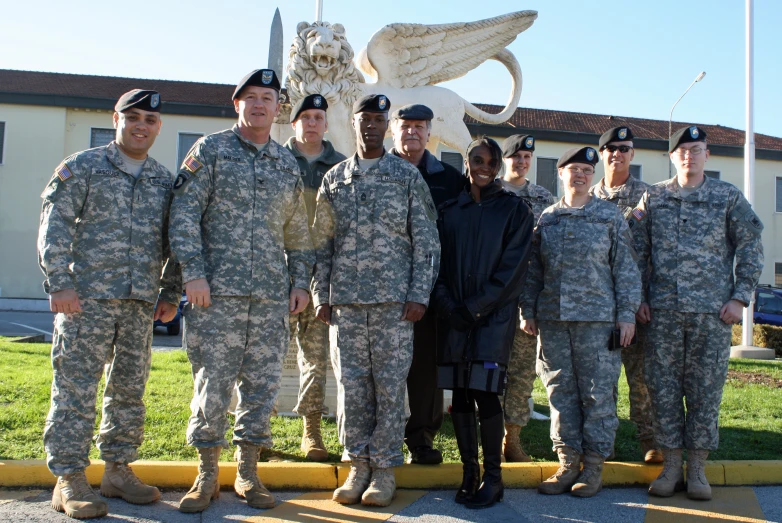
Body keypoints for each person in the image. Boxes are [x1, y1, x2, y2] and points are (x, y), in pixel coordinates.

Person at [169, 69, 313, 513]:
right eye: (250, 97)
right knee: (212, 387)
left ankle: (248, 474)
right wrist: (192, 273)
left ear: (277, 109)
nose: (259, 105)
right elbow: (183, 214)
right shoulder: (210, 151)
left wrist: (300, 282)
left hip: (270, 299)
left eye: (267, 98)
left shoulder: (286, 163)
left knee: (261, 388)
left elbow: (299, 231)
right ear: (237, 105)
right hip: (215, 298)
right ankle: (206, 476)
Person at [38, 89, 180, 519]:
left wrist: (170, 292)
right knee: (76, 388)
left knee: (129, 390)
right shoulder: (82, 167)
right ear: (114, 118)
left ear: (158, 126)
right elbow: (54, 226)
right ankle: (69, 479)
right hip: (86, 300)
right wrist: (59, 284)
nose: (141, 126)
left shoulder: (161, 179)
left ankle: (118, 469)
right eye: (132, 117)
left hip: (139, 303)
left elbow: (175, 240)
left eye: (150, 120)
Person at [311, 94, 440, 507]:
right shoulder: (334, 180)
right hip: (345, 306)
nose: (371, 126)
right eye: (364, 119)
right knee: (352, 390)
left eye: (378, 120)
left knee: (388, 388)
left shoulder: (406, 178)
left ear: (387, 126)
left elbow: (427, 243)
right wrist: (321, 295)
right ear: (353, 123)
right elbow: (321, 245)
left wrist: (419, 295)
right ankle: (357, 466)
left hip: (393, 306)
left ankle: (384, 470)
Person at [634, 126, 764, 500]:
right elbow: (636, 251)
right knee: (663, 391)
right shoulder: (653, 197)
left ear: (708, 155)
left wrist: (740, 297)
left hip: (712, 314)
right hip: (661, 314)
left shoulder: (727, 197)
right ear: (672, 157)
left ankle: (699, 470)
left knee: (705, 392)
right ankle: (672, 465)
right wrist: (639, 297)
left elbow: (751, 245)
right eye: (683, 151)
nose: (689, 155)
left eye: (697, 149)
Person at [520, 146, 641, 498]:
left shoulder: (609, 217)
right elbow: (533, 272)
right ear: (560, 174)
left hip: (598, 324)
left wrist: (626, 316)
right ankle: (568, 463)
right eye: (573, 170)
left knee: (598, 395)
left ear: (592, 176)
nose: (580, 175)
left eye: (587, 170)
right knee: (560, 394)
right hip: (555, 323)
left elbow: (625, 268)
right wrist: (528, 311)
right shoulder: (547, 219)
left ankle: (594, 466)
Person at [434, 137, 534, 509]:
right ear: (467, 161)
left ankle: (494, 479)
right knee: (459, 395)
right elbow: (437, 263)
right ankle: (469, 473)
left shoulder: (514, 211)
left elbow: (512, 273)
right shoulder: (450, 210)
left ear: (498, 167)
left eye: (492, 163)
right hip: (454, 317)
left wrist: (474, 308)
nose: (484, 167)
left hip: (493, 319)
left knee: (485, 394)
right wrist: (448, 305)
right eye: (478, 160)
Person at [389, 103, 466, 465]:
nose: (412, 132)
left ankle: (421, 439)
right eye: (405, 126)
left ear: (429, 131)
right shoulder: (375, 171)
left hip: (430, 290)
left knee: (425, 370)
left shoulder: (450, 180)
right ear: (393, 130)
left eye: (419, 126)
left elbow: (458, 235)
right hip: (380, 289)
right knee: (380, 370)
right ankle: (381, 438)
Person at [589, 126, 661, 464]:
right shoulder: (587, 197)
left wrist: (642, 298)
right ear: (601, 154)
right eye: (610, 148)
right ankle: (605, 444)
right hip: (598, 306)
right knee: (601, 380)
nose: (616, 153)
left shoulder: (649, 196)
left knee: (641, 379)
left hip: (638, 306)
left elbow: (655, 252)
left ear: (633, 154)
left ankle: (650, 441)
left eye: (624, 148)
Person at [284, 93, 347, 461]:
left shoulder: (340, 166)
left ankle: (311, 432)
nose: (311, 123)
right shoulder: (276, 160)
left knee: (315, 354)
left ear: (326, 124)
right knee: (262, 354)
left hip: (321, 273)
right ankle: (255, 432)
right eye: (304, 117)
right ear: (295, 124)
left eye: (317, 117)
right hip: (275, 268)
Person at [499, 134, 555, 462]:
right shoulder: (489, 192)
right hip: (493, 299)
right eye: (516, 156)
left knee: (521, 372)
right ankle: (490, 435)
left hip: (527, 301)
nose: (521, 162)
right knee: (489, 370)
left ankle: (512, 439)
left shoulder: (542, 197)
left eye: (527, 157)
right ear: (505, 159)